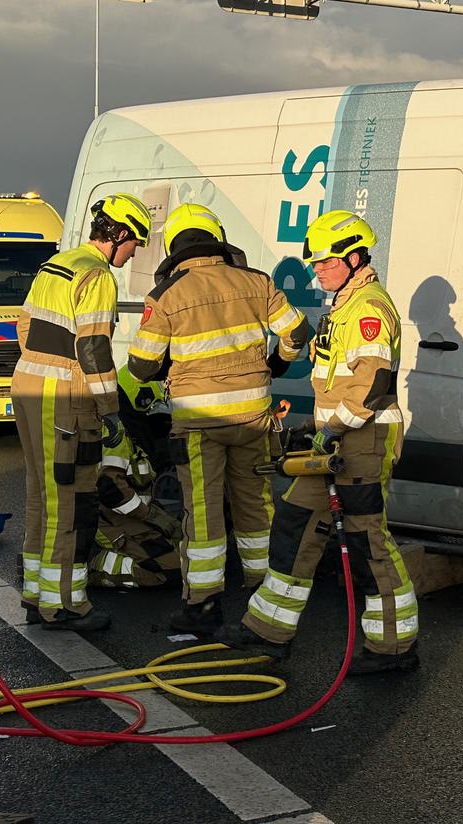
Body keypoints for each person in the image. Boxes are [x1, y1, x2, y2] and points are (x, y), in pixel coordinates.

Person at [217, 209, 419, 675]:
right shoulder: (344, 306)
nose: (317, 271)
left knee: (367, 540)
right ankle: (268, 630)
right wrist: (322, 430)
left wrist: (330, 429)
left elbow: (373, 387)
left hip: (362, 440)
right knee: (295, 522)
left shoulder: (368, 308)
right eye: (315, 263)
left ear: (355, 258)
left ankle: (393, 648)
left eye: (326, 263)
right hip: (337, 443)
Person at [127, 204, 311, 635]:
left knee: (205, 515)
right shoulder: (256, 283)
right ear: (218, 238)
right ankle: (263, 595)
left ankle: (204, 606)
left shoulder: (167, 295)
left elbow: (140, 365)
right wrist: (277, 364)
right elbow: (297, 333)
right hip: (254, 417)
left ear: (175, 247)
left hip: (198, 425)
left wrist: (164, 367)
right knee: (256, 507)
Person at [16, 193, 150, 631]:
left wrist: (42, 365)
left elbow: (24, 325)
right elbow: (93, 348)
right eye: (136, 245)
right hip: (65, 397)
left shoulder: (57, 264)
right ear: (121, 235)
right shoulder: (97, 276)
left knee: (42, 495)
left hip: (29, 387)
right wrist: (111, 412)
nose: (133, 256)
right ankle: (65, 606)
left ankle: (37, 595)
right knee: (70, 502)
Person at [89, 369, 183, 589]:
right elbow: (110, 490)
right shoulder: (114, 433)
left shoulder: (136, 434)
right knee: (171, 572)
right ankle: (89, 563)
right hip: (105, 520)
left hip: (131, 515)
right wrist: (150, 516)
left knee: (189, 551)